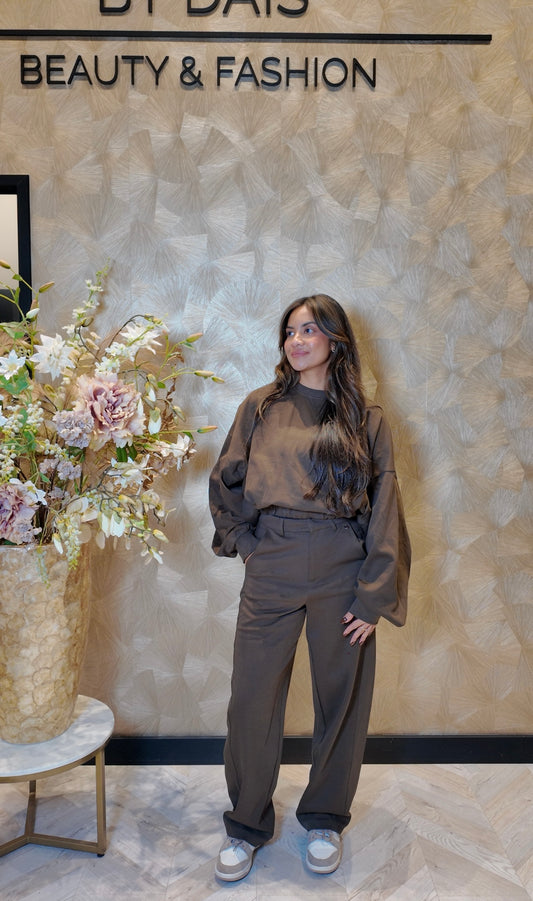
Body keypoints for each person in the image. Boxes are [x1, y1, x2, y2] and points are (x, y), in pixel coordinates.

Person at [209, 293, 410, 882]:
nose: (296, 341)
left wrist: (373, 596)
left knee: (341, 697)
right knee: (251, 698)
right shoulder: (260, 407)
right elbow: (225, 482)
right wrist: (247, 545)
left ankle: (324, 817)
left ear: (335, 341)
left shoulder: (366, 419)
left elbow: (385, 506)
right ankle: (246, 824)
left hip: (342, 566)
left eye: (309, 330)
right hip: (271, 560)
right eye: (290, 331)